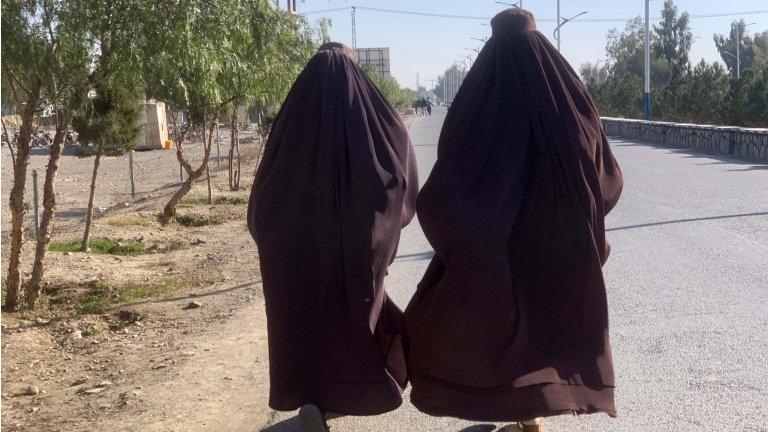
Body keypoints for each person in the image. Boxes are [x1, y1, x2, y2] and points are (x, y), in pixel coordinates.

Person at [404, 9, 623, 432]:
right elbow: (605, 174)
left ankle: (522, 411)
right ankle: (532, 414)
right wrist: (584, 226)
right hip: (557, 239)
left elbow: (445, 187)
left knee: (491, 320)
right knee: (545, 320)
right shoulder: (568, 95)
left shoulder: (477, 98)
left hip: (492, 242)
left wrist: (461, 239)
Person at [247, 42, 418, 432]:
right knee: (356, 314)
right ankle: (355, 386)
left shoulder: (291, 123)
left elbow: (263, 198)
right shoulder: (378, 122)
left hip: (296, 249)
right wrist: (383, 236)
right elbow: (401, 177)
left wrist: (278, 241)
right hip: (359, 248)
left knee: (305, 320)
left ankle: (313, 399)